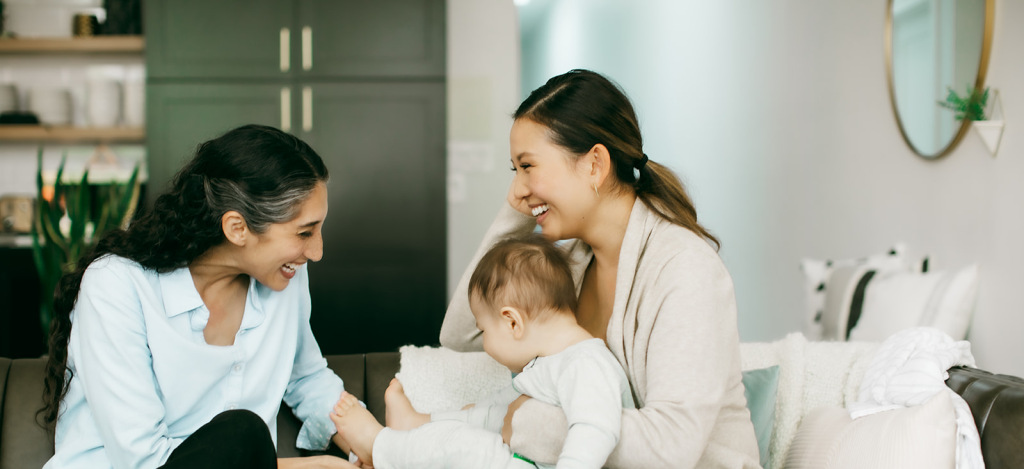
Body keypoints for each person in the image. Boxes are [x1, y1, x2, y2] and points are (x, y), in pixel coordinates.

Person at [439, 69, 761, 468]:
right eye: (514, 171)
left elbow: (671, 449)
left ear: (594, 164)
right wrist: (516, 214)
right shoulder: (571, 262)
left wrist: (527, 420)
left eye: (528, 166)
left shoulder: (684, 269)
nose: (518, 189)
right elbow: (462, 332)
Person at [40, 124, 358, 468]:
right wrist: (309, 466)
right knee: (244, 432)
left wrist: (380, 445)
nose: (316, 251)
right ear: (237, 228)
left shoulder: (284, 275)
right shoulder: (116, 284)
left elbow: (307, 378)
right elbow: (142, 461)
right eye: (305, 232)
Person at [330, 235, 634, 469]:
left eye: (484, 330)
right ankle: (417, 424)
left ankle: (379, 446)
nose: (484, 344)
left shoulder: (586, 363)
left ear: (512, 322)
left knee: (463, 444)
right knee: (495, 407)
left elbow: (596, 429)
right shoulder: (552, 362)